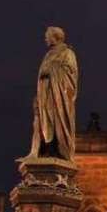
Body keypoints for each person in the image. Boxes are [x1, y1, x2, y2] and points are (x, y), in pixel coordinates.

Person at [29, 26, 78, 162]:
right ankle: (41, 151)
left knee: (57, 124)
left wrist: (52, 71)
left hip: (59, 98)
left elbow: (71, 78)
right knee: (42, 124)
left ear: (56, 37)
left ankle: (58, 151)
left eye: (47, 36)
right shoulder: (49, 54)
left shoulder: (67, 53)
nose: (45, 39)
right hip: (45, 95)